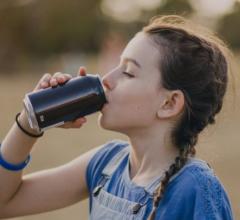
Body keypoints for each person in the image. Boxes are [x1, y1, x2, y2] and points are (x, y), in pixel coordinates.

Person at [0, 15, 234, 220]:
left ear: (169, 103)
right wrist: (28, 123)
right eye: (115, 65)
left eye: (129, 72)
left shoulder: (195, 189)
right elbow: (4, 203)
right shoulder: (106, 163)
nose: (106, 79)